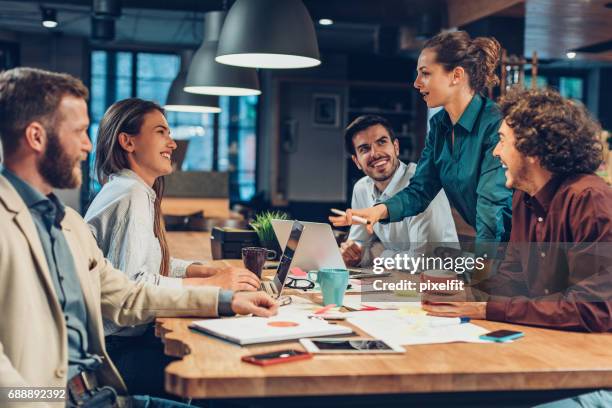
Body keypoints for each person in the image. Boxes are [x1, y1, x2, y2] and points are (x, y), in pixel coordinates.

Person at [0, 67, 278, 407]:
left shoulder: (66, 223)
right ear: (36, 137)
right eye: (79, 132)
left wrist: (224, 299)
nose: (88, 145)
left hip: (92, 389)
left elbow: (126, 296)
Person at [83, 98, 262, 397]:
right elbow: (134, 286)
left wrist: (201, 270)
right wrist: (214, 286)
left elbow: (145, 262)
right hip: (117, 353)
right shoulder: (130, 195)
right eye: (161, 132)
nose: (173, 143)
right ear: (128, 141)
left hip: (119, 343)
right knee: (225, 373)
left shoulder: (128, 188)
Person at [423, 88, 612, 333]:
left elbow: (593, 310)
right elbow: (512, 279)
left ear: (531, 149)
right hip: (550, 341)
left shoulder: (589, 199)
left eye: (502, 140)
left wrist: (485, 309)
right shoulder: (524, 196)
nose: (495, 152)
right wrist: (464, 294)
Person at [331, 31, 512, 244]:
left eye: (425, 73)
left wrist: (482, 268)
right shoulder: (439, 128)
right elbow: (420, 191)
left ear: (456, 76)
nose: (416, 83)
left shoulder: (495, 124)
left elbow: (492, 208)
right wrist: (377, 212)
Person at [341, 114, 457, 267]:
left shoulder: (423, 186)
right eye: (364, 149)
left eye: (382, 142)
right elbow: (359, 247)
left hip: (440, 282)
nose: (375, 153)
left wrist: (380, 254)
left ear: (396, 147)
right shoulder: (361, 189)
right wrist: (352, 253)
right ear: (356, 161)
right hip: (394, 279)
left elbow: (426, 262)